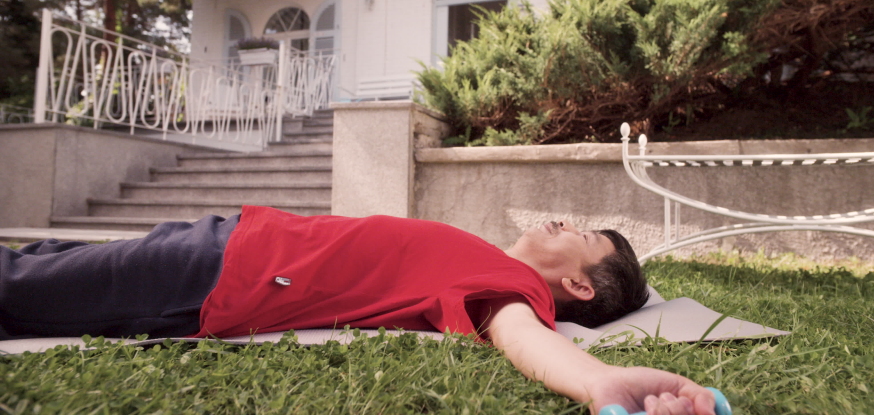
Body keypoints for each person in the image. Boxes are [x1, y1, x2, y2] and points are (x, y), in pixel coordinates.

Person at [0, 205, 717, 415]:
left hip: (219, 275)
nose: (562, 220)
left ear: (581, 289)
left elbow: (524, 338)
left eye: (581, 236)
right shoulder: (484, 255)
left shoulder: (516, 293)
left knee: (16, 288)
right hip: (230, 240)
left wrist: (595, 380)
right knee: (39, 262)